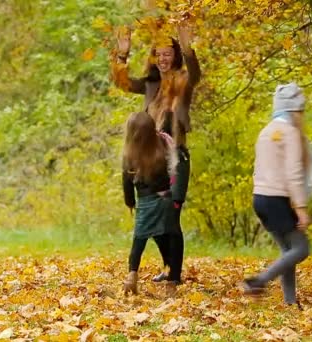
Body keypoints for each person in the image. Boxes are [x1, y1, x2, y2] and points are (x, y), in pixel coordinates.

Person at [111, 23, 200, 283]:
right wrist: (122, 54)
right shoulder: (150, 83)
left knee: (171, 217)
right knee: (157, 220)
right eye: (158, 54)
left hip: (175, 158)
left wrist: (188, 48)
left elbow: (195, 74)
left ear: (175, 56)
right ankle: (168, 266)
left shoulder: (183, 80)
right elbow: (122, 83)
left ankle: (175, 275)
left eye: (167, 53)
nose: (162, 59)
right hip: (152, 158)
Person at [243, 82, 312, 308]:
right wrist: (301, 208)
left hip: (261, 199)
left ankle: (290, 302)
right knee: (301, 249)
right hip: (278, 200)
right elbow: (294, 172)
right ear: (295, 111)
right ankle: (259, 281)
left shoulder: (265, 132)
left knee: (288, 251)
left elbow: (258, 169)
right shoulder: (291, 133)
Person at [122, 111, 183, 297]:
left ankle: (132, 274)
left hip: (145, 201)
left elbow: (126, 182)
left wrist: (130, 202)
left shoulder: (129, 154)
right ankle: (172, 280)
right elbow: (174, 168)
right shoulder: (163, 145)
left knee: (139, 239)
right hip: (165, 199)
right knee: (171, 237)